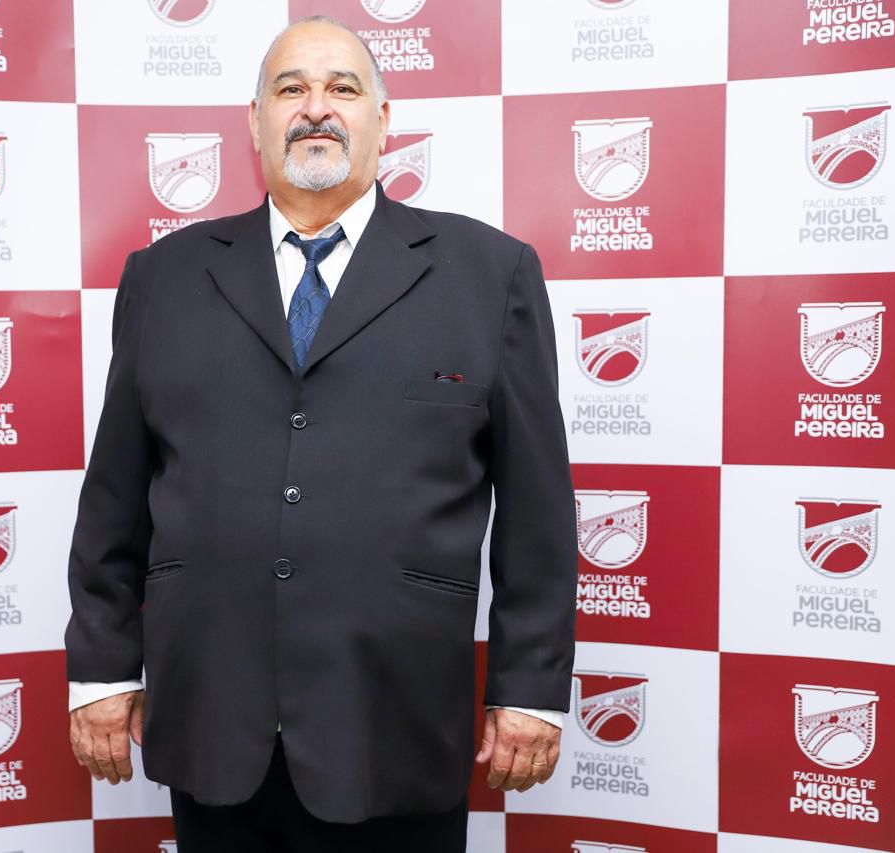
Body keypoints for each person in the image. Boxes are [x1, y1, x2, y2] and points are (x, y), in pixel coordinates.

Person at [65, 15, 576, 852]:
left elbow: (538, 512)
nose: (316, 107)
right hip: (215, 720)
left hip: (396, 721)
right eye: (290, 88)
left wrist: (529, 687)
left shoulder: (492, 274)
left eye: (343, 88)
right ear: (255, 121)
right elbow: (115, 494)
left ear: (383, 117)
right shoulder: (163, 278)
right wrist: (102, 668)